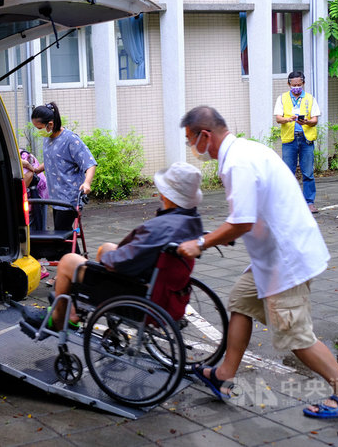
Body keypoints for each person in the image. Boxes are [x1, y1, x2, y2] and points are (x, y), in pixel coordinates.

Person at [177, 106, 338, 420]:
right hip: (276, 255)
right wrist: (221, 234)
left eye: (190, 140)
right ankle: (223, 376)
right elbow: (251, 215)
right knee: (241, 301)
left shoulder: (237, 162)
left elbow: (242, 222)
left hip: (286, 260)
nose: (191, 148)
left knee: (296, 336)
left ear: (205, 136)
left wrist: (201, 243)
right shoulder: (244, 151)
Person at [22, 161, 204, 332]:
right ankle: (78, 306)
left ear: (168, 196)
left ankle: (61, 318)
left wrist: (107, 261)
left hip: (140, 292)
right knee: (106, 247)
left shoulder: (160, 228)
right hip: (159, 284)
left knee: (68, 260)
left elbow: (122, 261)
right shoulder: (191, 221)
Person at [30, 102, 96, 231]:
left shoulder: (71, 140)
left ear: (50, 124)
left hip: (70, 197)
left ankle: (70, 252)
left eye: (39, 128)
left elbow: (89, 163)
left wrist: (87, 183)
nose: (39, 132)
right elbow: (54, 160)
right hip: (55, 197)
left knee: (61, 234)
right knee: (63, 236)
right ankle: (73, 252)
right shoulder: (48, 138)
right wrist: (37, 169)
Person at [274, 71, 321, 213]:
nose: (296, 87)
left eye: (299, 85)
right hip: (289, 139)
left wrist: (306, 121)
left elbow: (315, 120)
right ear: (289, 84)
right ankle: (289, 203)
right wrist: (288, 119)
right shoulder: (282, 98)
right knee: (288, 173)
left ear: (303, 84)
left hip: (306, 139)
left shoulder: (310, 98)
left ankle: (309, 202)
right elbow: (278, 118)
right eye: (294, 85)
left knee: (308, 173)